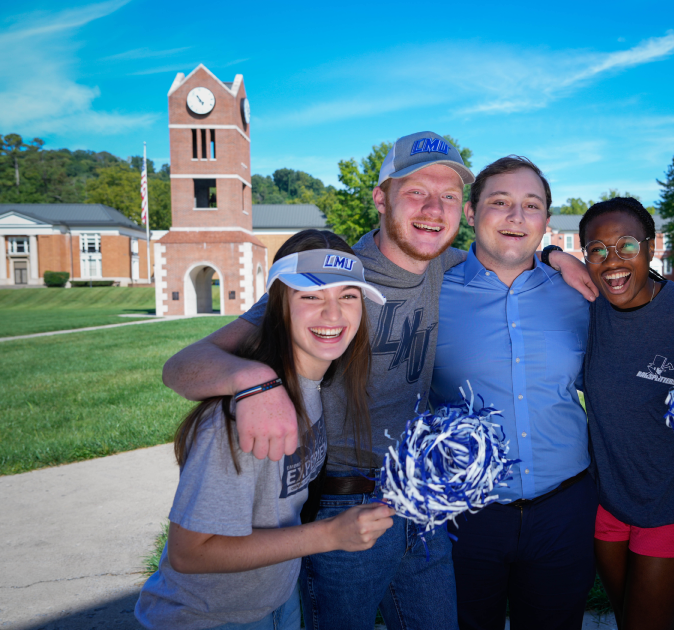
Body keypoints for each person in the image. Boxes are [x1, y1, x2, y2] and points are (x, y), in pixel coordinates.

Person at [160, 131, 598, 630]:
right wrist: (254, 382)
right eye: (415, 192)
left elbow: (507, 252)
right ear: (381, 197)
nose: (433, 209)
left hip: (426, 498)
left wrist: (554, 257)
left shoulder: (447, 265)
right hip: (346, 501)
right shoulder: (335, 278)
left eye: (449, 196)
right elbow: (184, 365)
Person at [136, 231, 395, 629]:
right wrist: (329, 535)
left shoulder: (312, 389)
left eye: (348, 296)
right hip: (207, 618)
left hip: (276, 602)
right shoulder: (245, 416)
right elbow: (190, 553)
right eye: (311, 296)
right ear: (278, 307)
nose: (333, 313)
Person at [431, 156, 597, 630]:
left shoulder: (580, 295)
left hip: (563, 510)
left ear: (547, 220)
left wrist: (558, 258)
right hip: (464, 517)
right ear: (469, 212)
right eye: (500, 202)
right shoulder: (432, 292)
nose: (516, 217)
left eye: (531, 205)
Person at [579, 198, 674, 630]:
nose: (611, 261)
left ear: (652, 246)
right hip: (606, 503)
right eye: (597, 250)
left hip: (671, 503)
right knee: (628, 620)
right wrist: (550, 254)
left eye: (625, 245)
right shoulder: (585, 313)